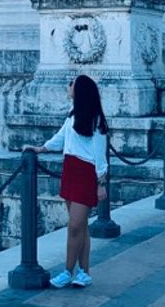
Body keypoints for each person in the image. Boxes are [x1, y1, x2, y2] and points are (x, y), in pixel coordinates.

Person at [24, 75, 108, 289]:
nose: (68, 87)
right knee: (81, 227)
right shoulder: (72, 114)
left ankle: (67, 271)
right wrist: (42, 148)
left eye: (71, 84)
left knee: (74, 227)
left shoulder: (95, 119)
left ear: (80, 90)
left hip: (86, 172)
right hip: (70, 169)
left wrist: (101, 182)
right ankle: (84, 272)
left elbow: (100, 154)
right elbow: (61, 138)